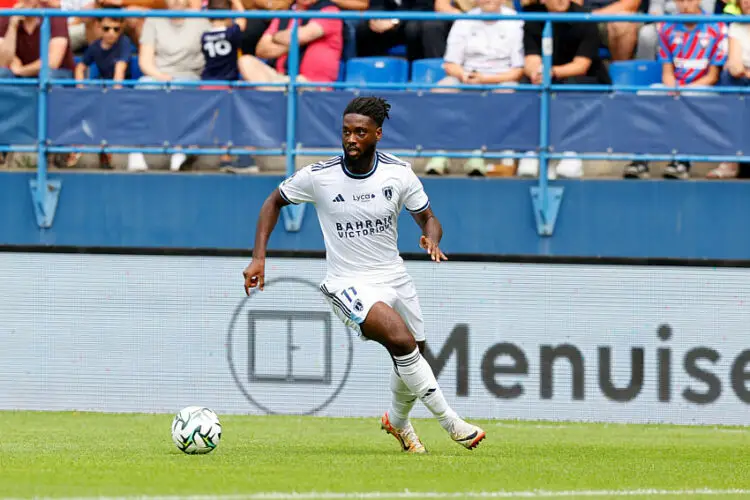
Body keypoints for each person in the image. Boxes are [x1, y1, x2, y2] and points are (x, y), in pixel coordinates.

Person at [242, 96, 486, 454]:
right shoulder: (319, 176)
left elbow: (429, 218)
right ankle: (452, 422)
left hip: (394, 276)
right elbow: (273, 201)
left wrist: (431, 239)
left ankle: (397, 423)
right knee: (401, 341)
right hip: (347, 282)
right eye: (346, 131)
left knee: (414, 353)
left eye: (360, 132)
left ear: (378, 134)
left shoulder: (398, 173)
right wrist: (258, 257)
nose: (351, 138)